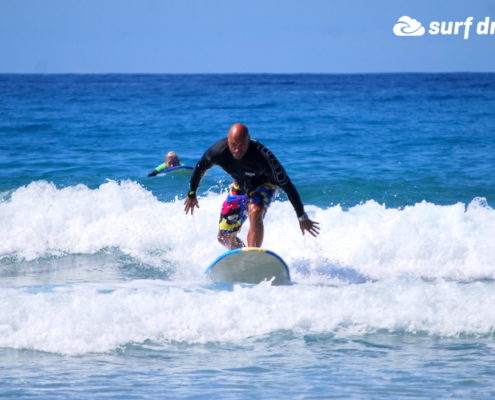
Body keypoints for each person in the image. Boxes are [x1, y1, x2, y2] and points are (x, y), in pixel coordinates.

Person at [184, 123, 320, 249]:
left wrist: (302, 216)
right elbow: (199, 168)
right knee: (224, 237)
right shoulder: (218, 151)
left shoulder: (263, 157)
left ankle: (253, 254)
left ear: (249, 140)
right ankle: (246, 259)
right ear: (228, 140)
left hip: (265, 183)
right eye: (233, 144)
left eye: (242, 144)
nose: (237, 149)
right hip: (240, 185)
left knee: (255, 211)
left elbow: (287, 185)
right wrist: (192, 194)